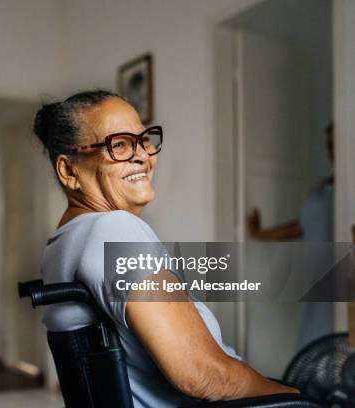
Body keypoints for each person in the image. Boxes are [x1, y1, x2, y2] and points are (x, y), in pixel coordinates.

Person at [34, 90, 298, 407]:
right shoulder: (114, 229)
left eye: (144, 139)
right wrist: (296, 398)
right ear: (69, 171)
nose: (143, 155)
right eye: (119, 144)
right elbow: (204, 375)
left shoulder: (61, 245)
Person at [247, 123, 334, 349]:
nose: (332, 149)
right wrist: (259, 233)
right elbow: (300, 226)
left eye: (336, 141)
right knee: (313, 347)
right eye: (329, 143)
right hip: (316, 281)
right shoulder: (322, 188)